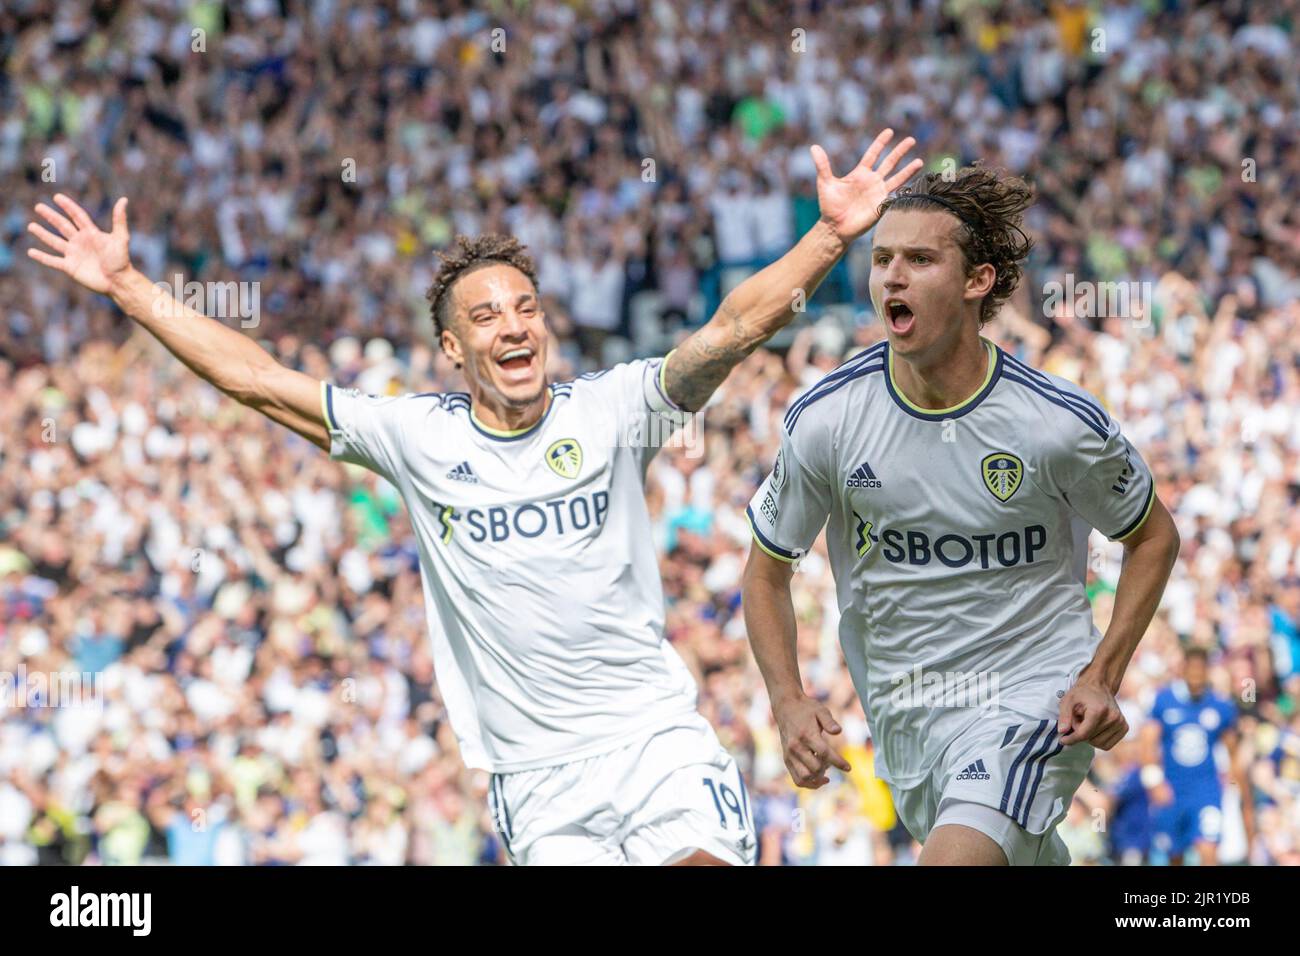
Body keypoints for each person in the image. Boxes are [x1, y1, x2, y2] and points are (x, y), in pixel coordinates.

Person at [26, 130, 921, 865]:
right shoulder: (419, 438)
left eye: (525, 307)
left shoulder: (612, 411)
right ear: (453, 351)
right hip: (535, 779)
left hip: (655, 742)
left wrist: (832, 234)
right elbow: (260, 381)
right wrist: (129, 289)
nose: (514, 325)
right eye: (486, 316)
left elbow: (731, 329)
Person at [741, 164, 1182, 865]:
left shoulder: (1055, 425)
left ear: (977, 281)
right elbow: (766, 573)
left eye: (919, 259)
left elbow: (1153, 535)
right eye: (882, 258)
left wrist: (1101, 675)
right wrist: (788, 700)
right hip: (907, 719)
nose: (892, 276)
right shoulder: (827, 419)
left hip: (1033, 696)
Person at [1141, 646, 1253, 865]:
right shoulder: (1164, 701)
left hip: (1206, 789)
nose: (1196, 676)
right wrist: (1154, 781)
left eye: (1200, 670)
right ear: (1183, 670)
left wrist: (1240, 788)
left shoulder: (1220, 706)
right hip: (1173, 788)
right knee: (1175, 855)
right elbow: (1147, 744)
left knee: (1208, 849)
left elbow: (1233, 753)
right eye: (1192, 670)